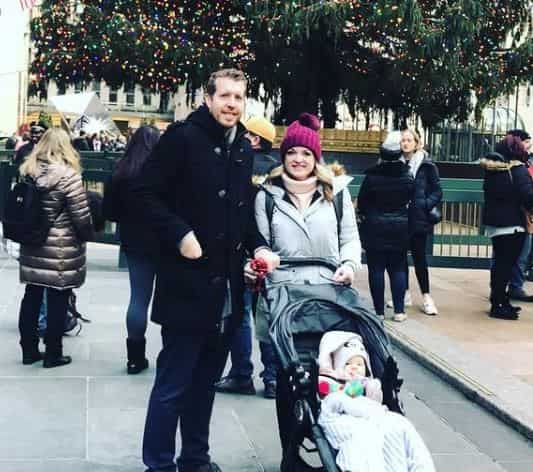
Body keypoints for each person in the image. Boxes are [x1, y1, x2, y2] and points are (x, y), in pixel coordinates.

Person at [129, 68, 279, 472]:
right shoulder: (181, 138)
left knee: (205, 384)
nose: (232, 104)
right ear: (208, 98)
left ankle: (195, 458)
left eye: (239, 97)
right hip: (186, 285)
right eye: (225, 96)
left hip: (227, 291)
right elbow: (142, 194)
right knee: (173, 384)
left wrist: (259, 247)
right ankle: (159, 464)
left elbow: (241, 213)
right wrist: (179, 233)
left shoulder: (243, 148)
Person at [250, 112, 362, 464]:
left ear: (317, 157)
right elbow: (259, 241)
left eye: (306, 153)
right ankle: (291, 451)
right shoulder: (267, 196)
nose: (298, 159)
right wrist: (263, 258)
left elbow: (350, 239)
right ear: (282, 156)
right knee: (289, 379)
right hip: (284, 297)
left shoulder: (336, 194)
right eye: (291, 152)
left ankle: (335, 447)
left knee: (329, 373)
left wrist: (349, 266)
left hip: (330, 295)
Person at [215, 116, 280, 399]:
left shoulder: (239, 162)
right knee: (267, 315)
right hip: (270, 249)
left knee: (240, 314)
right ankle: (273, 378)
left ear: (254, 139)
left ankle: (241, 373)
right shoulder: (278, 170)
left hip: (241, 247)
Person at [17, 128, 93, 367]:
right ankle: (53, 352)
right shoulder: (69, 176)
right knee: (58, 298)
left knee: (31, 296)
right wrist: (87, 235)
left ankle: (28, 349)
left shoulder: (28, 171)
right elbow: (80, 215)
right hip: (61, 245)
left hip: (33, 242)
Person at [317, 331, 435, 472]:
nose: (354, 367)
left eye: (359, 364)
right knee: (365, 437)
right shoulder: (333, 384)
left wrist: (371, 387)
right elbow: (334, 401)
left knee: (400, 425)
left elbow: (376, 402)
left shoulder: (368, 384)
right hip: (344, 417)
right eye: (347, 363)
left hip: (373, 414)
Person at [103, 125, 161, 374]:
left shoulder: (121, 170)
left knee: (138, 298)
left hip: (134, 241)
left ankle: (135, 358)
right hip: (165, 240)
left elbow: (109, 212)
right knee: (169, 299)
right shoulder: (164, 171)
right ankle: (170, 354)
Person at [358, 131, 414, 322]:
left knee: (376, 269)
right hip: (400, 227)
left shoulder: (371, 176)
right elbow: (411, 198)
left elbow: (362, 203)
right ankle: (399, 311)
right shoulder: (407, 176)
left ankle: (379, 311)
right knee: (398, 269)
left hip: (375, 226)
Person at [481, 134, 533, 319]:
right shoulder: (518, 170)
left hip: (495, 225)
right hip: (514, 224)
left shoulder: (492, 170)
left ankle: (500, 300)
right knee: (507, 265)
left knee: (499, 265)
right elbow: (528, 196)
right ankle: (498, 305)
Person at [394, 128, 442, 315]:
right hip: (400, 216)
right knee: (400, 258)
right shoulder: (395, 164)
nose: (405, 143)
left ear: (416, 143)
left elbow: (437, 191)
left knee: (419, 258)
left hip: (418, 218)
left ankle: (426, 296)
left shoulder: (427, 164)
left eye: (409, 140)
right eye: (403, 140)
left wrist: (424, 204)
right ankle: (404, 293)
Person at [505, 129, 533, 301]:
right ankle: (514, 286)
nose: (529, 146)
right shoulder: (520, 167)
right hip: (521, 214)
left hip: (519, 214)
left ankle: (505, 287)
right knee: (520, 253)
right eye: (527, 142)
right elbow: (527, 192)